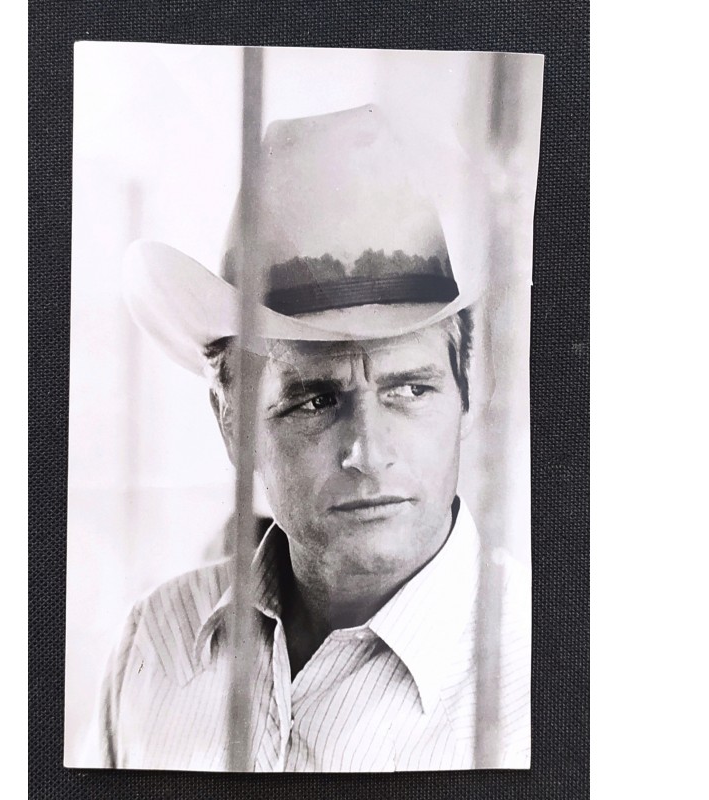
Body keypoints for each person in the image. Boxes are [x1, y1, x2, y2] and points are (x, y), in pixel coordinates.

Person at [98, 104, 530, 772]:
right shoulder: (154, 642)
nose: (368, 451)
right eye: (315, 400)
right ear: (231, 423)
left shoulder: (549, 682)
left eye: (410, 390)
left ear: (467, 393)